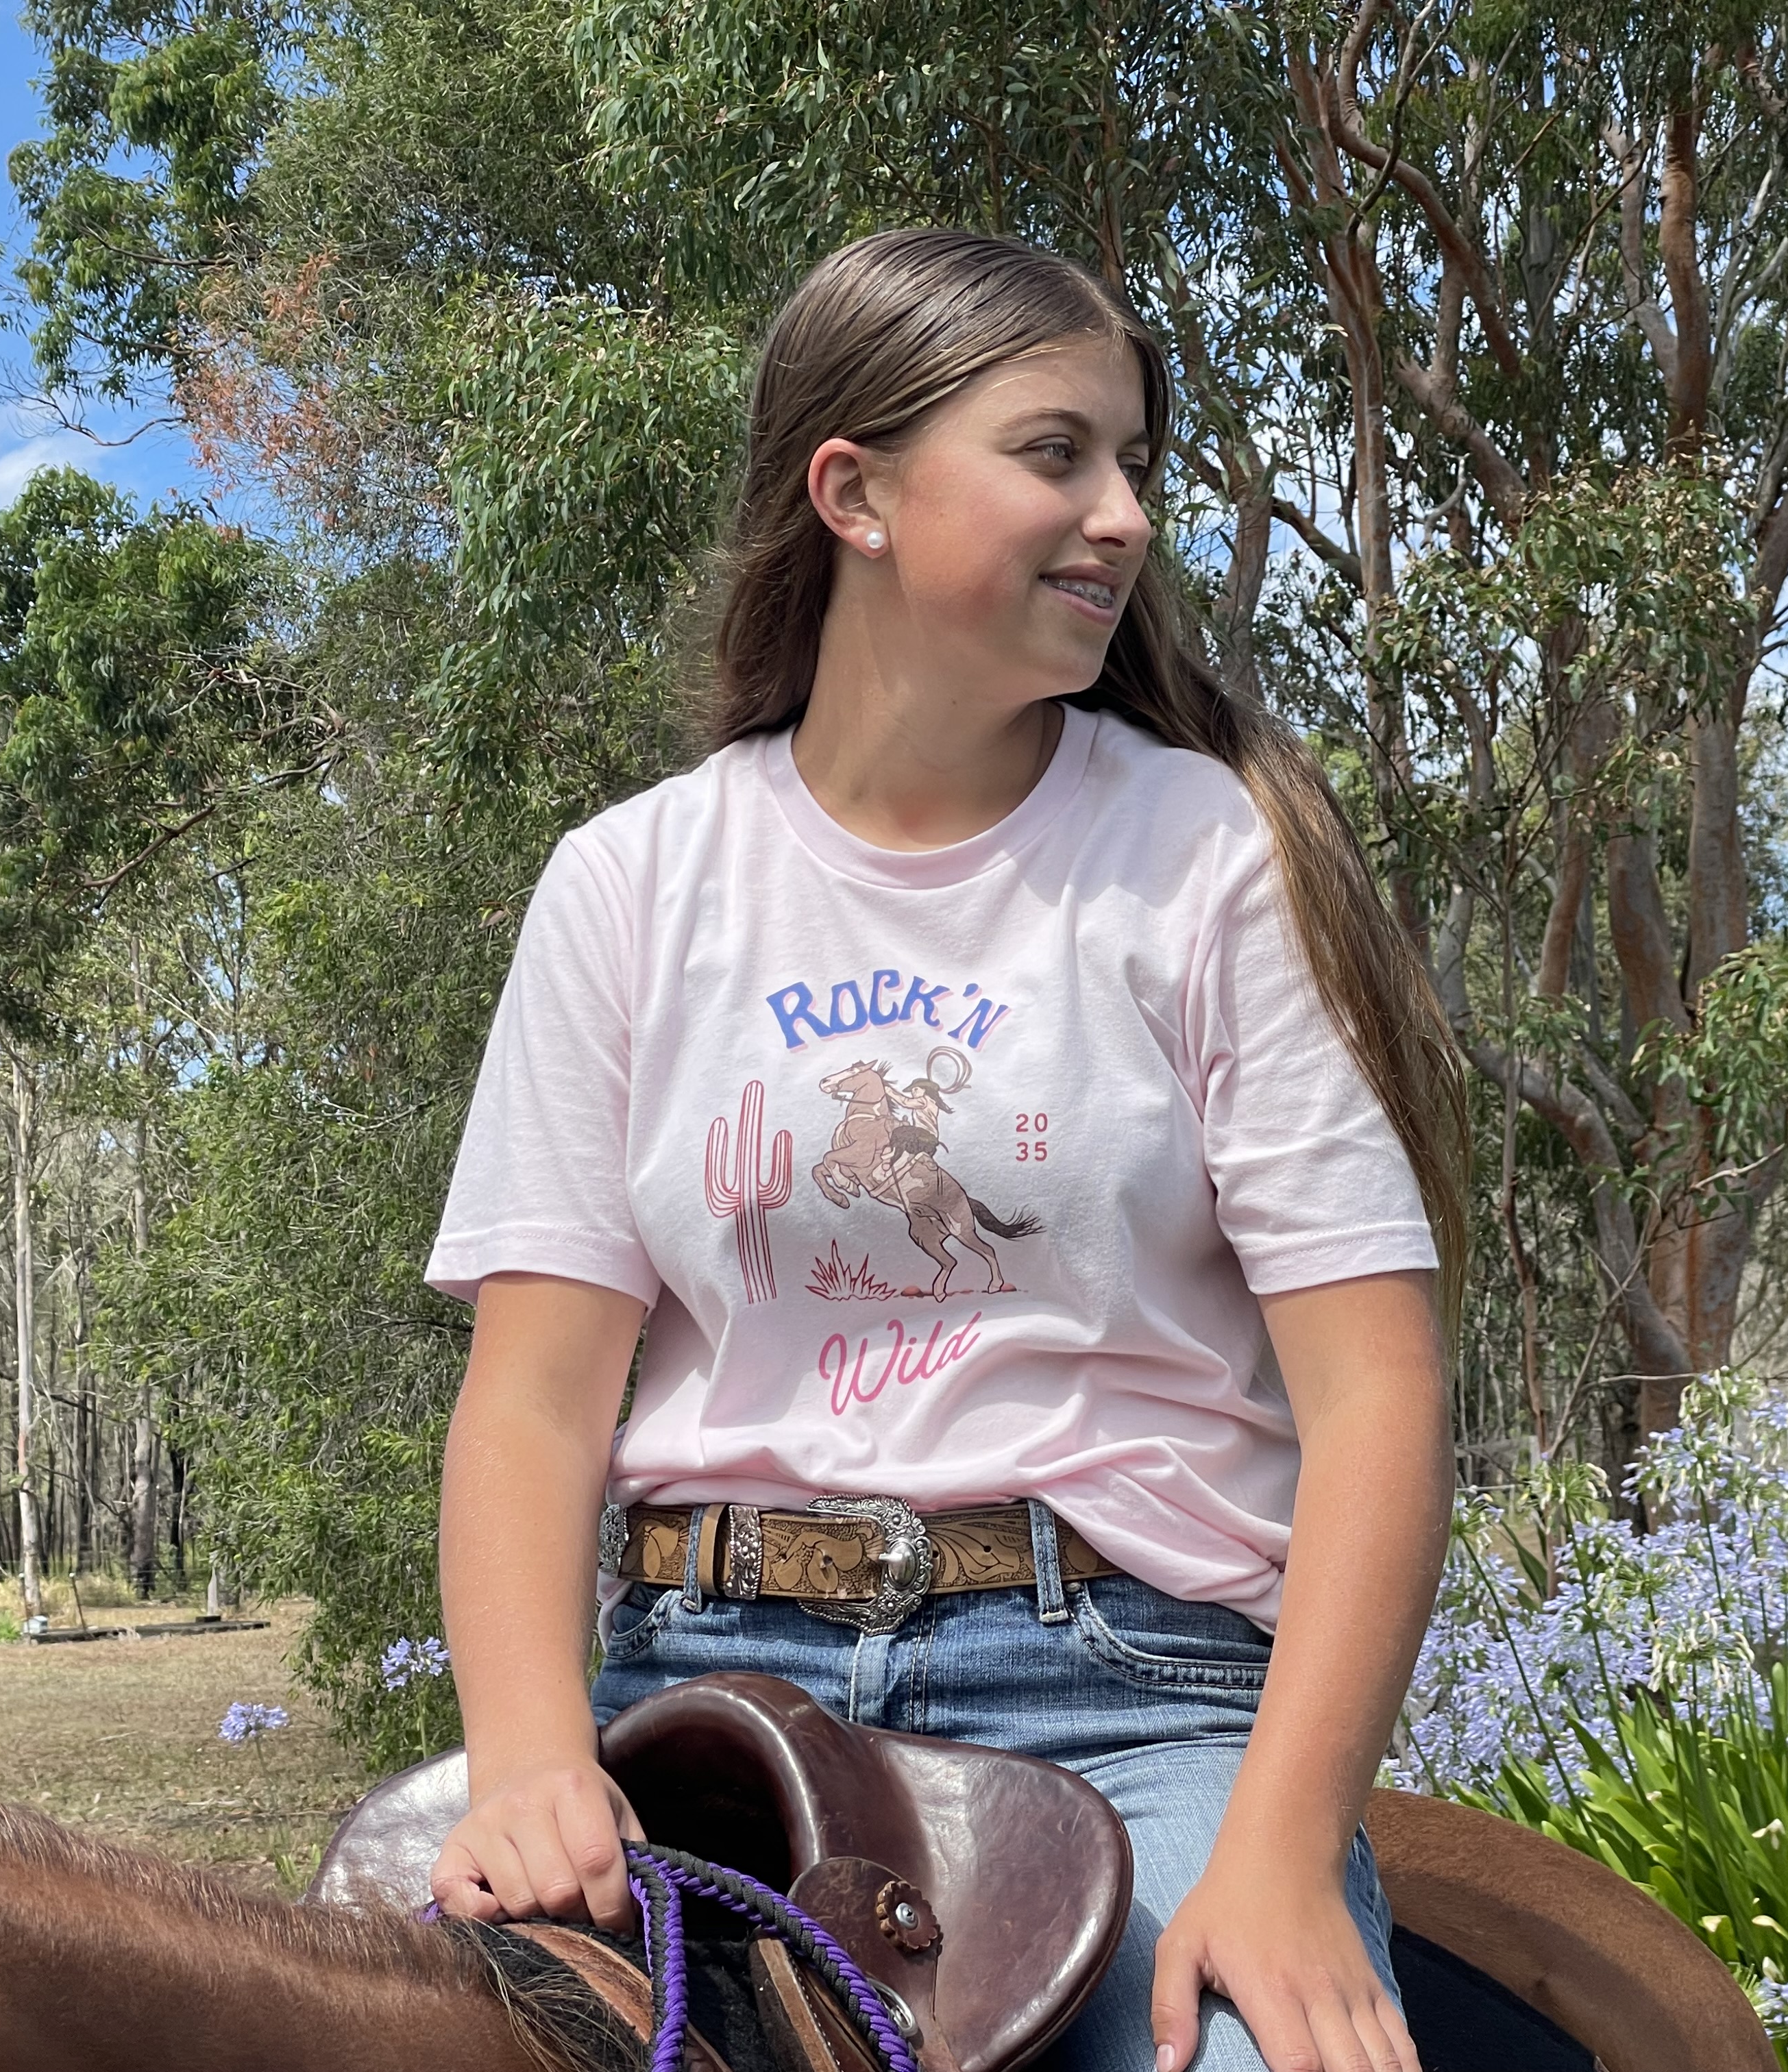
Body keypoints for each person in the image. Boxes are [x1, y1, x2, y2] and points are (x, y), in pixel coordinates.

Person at [422, 226, 1465, 2072]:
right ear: (857, 492)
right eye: (1059, 454)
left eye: (1135, 461)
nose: (1126, 513)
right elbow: (531, 1402)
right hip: (702, 1691)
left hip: (1127, 1695)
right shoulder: (634, 886)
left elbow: (1378, 1391)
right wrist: (523, 1757)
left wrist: (1284, 1856)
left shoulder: (1207, 855)